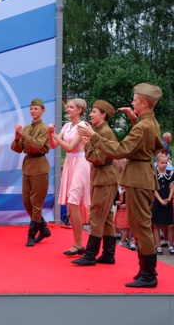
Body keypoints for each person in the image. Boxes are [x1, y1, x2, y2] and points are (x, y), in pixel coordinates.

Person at [78, 83, 164, 288]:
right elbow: (143, 143)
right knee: (139, 224)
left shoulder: (143, 127)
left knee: (140, 225)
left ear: (144, 103)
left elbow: (120, 151)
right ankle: (145, 270)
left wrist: (93, 136)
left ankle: (149, 275)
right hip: (142, 175)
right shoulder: (149, 122)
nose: (132, 103)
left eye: (135, 100)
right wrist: (134, 120)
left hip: (138, 177)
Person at [71, 100, 119, 266]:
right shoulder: (102, 131)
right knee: (106, 217)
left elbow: (99, 158)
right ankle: (108, 254)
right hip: (104, 177)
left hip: (104, 177)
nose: (90, 114)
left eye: (94, 111)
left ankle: (90, 254)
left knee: (97, 215)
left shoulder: (104, 132)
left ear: (103, 115)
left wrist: (87, 145)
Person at [48, 98, 91, 256]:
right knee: (71, 205)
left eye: (71, 107)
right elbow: (53, 145)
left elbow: (70, 147)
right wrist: (50, 135)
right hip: (69, 164)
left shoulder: (83, 126)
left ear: (80, 110)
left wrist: (54, 135)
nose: (68, 109)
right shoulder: (66, 126)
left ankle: (79, 244)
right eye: (68, 107)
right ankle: (78, 244)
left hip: (80, 163)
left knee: (73, 204)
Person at [10, 98, 51, 247]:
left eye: (36, 108)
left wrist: (23, 134)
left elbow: (37, 145)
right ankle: (43, 227)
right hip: (28, 166)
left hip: (39, 166)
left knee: (36, 202)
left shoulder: (44, 128)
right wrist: (17, 137)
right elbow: (17, 149)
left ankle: (32, 234)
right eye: (31, 108)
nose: (33, 111)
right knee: (26, 201)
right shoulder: (26, 128)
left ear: (43, 111)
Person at [151, 153, 174, 255]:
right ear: (157, 162)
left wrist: (169, 198)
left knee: (170, 225)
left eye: (166, 162)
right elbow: (153, 189)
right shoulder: (154, 174)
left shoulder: (171, 173)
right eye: (162, 163)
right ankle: (158, 246)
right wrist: (160, 200)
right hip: (157, 201)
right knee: (156, 224)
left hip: (168, 201)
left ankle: (171, 245)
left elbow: (172, 187)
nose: (164, 164)